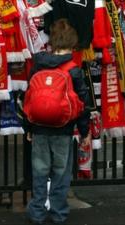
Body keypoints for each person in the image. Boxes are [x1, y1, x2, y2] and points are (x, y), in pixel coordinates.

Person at [24, 18, 95, 224]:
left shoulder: (38, 65)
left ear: (52, 42)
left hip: (39, 128)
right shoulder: (73, 70)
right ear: (73, 44)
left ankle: (36, 212)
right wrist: (84, 132)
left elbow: (28, 98)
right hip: (63, 130)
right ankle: (58, 213)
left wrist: (28, 126)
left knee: (39, 172)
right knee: (61, 173)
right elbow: (82, 105)